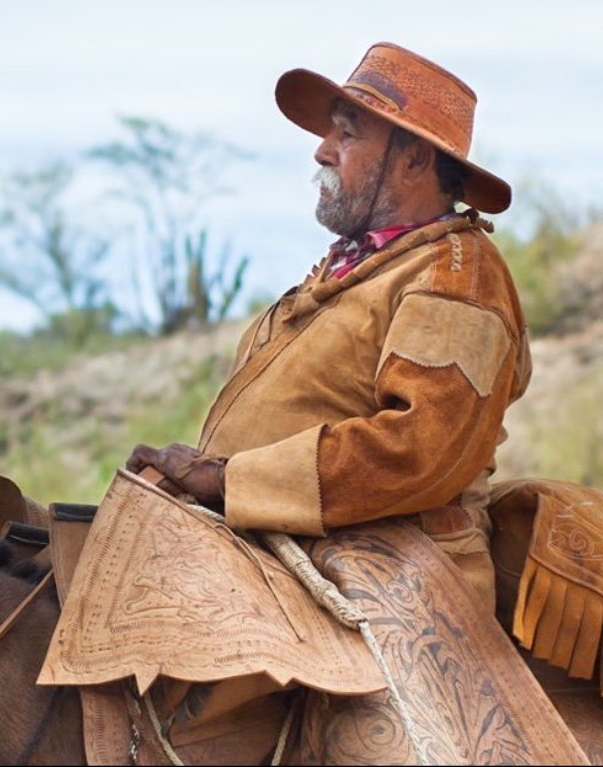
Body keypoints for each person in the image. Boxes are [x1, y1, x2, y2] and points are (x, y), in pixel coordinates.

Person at [125, 41, 531, 617]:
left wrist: (228, 481)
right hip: (284, 554)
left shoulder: (455, 281)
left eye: (347, 134)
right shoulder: (364, 264)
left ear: (414, 159)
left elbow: (417, 450)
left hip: (397, 583)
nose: (321, 151)